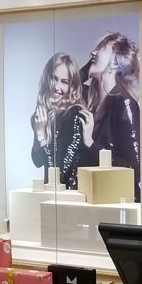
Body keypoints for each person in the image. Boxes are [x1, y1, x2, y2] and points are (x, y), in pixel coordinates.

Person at [79, 32, 142, 202]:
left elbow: (135, 169)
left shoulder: (124, 103)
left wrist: (91, 144)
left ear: (115, 62)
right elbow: (69, 85)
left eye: (100, 50)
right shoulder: (89, 100)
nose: (93, 53)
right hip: (96, 198)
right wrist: (92, 64)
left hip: (118, 203)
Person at [30, 53, 94, 190]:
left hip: (72, 195)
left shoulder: (74, 115)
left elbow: (60, 175)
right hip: (53, 194)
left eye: (64, 82)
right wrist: (38, 134)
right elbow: (37, 161)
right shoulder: (41, 114)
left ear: (72, 86)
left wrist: (41, 134)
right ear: (47, 78)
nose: (57, 87)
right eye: (54, 78)